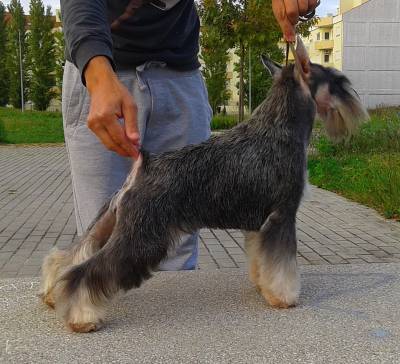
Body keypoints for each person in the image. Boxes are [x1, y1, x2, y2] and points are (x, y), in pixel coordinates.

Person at [60, 0, 318, 270]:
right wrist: (98, 73)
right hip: (101, 68)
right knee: (102, 232)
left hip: (180, 74)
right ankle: (69, 278)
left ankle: (74, 277)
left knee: (178, 250)